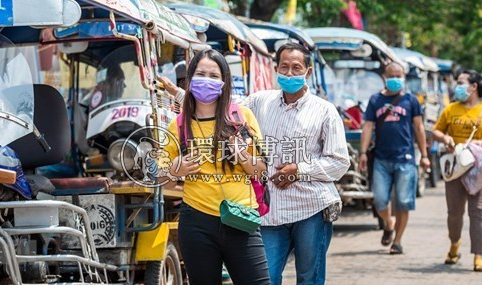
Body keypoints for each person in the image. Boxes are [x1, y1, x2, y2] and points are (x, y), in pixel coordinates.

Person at [161, 43, 350, 285]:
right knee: (267, 278)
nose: (289, 73)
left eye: (296, 68)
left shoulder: (325, 111)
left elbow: (339, 162)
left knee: (309, 278)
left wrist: (299, 171)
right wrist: (181, 93)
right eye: (284, 67)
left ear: (308, 72)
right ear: (276, 69)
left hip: (310, 207)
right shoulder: (260, 102)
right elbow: (217, 104)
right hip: (269, 213)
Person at [161, 49, 270, 285]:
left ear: (224, 82)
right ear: (189, 81)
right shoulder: (178, 126)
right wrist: (174, 171)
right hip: (196, 222)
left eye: (214, 75)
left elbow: (262, 171)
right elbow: (163, 182)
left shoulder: (242, 118)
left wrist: (241, 154)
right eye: (200, 74)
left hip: (241, 220)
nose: (206, 81)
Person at [433, 70, 482, 272]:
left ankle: (478, 256)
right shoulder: (450, 110)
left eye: (461, 82)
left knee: (478, 211)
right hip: (455, 167)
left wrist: (479, 143)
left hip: (479, 169)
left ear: (474, 86)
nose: (457, 86)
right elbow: (437, 130)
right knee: (454, 213)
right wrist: (445, 139)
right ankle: (454, 244)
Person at [359, 62, 429, 255]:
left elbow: (419, 128)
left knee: (404, 202)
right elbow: (367, 126)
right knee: (380, 200)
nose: (396, 79)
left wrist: (424, 155)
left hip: (405, 159)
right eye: (392, 75)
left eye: (399, 75)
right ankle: (389, 223)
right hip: (381, 158)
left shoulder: (411, 100)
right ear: (384, 77)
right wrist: (363, 152)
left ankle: (397, 241)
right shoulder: (375, 100)